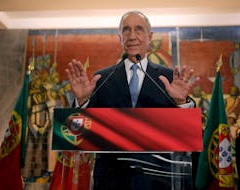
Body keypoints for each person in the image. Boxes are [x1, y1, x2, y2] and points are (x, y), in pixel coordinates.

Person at [66, 11, 199, 190]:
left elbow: (186, 133)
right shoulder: (102, 78)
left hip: (158, 180)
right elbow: (80, 130)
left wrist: (181, 103)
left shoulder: (169, 78)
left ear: (150, 36)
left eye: (139, 29)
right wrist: (82, 101)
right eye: (126, 30)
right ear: (120, 38)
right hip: (111, 180)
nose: (132, 36)